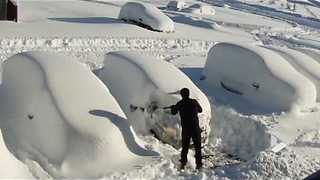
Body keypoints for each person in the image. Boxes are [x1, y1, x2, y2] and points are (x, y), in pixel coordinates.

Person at [168, 88, 203, 170]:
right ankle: (199, 164)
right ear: (188, 94)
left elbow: (173, 112)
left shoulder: (180, 103)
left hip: (186, 129)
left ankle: (183, 163)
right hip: (195, 128)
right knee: (198, 147)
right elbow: (200, 110)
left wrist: (173, 107)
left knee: (185, 147)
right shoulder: (194, 102)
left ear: (181, 95)